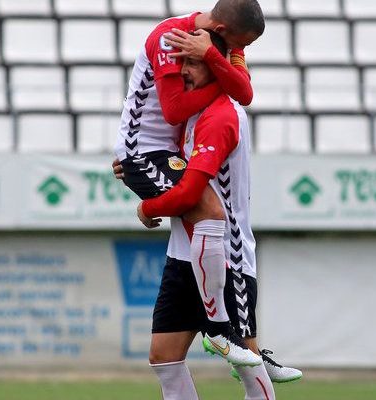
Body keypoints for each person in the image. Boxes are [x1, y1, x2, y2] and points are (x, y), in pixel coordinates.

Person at [114, 0, 302, 385]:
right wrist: (142, 189)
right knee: (212, 215)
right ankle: (223, 333)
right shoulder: (172, 40)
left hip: (166, 157)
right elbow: (174, 109)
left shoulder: (222, 47)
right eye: (234, 45)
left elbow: (244, 92)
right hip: (146, 151)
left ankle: (231, 337)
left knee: (210, 220)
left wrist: (216, 62)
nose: (237, 53)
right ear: (219, 27)